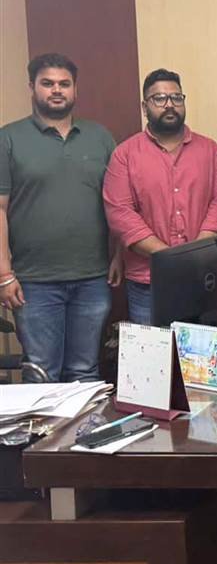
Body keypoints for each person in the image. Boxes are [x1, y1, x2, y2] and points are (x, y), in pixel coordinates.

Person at [0, 53, 120, 381]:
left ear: (75, 90)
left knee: (85, 372)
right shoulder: (8, 138)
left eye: (64, 84)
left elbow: (119, 203)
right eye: (47, 83)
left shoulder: (100, 137)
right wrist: (4, 274)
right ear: (32, 87)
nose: (56, 90)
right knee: (42, 373)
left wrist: (119, 255)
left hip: (92, 278)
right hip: (34, 281)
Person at [103, 68, 217, 326]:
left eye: (176, 97)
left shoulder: (210, 150)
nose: (169, 105)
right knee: (154, 353)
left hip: (203, 278)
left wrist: (195, 256)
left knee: (203, 352)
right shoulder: (124, 155)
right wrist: (172, 260)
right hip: (148, 282)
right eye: (160, 99)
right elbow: (121, 214)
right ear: (145, 107)